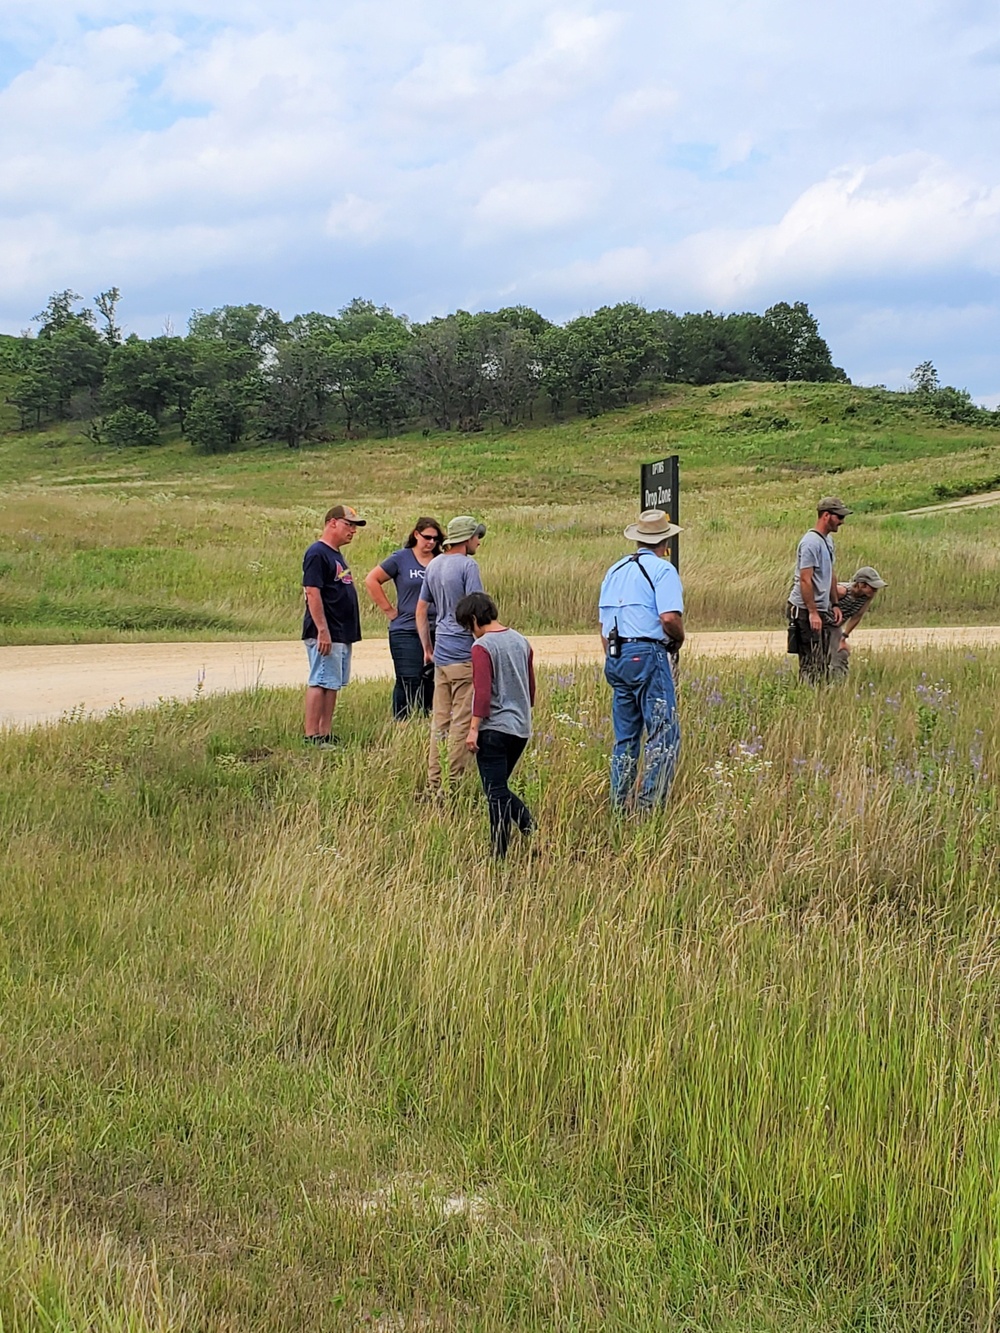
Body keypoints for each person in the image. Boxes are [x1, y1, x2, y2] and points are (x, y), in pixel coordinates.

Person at [598, 509, 684, 814]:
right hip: (647, 653)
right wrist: (678, 638)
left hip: (616, 655)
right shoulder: (662, 571)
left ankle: (620, 806)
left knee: (626, 738)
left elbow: (603, 625)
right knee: (663, 733)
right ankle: (650, 807)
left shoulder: (615, 570)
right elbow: (669, 617)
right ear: (665, 541)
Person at [457, 591, 535, 859]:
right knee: (499, 788)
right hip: (520, 728)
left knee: (496, 792)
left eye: (469, 626)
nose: (471, 633)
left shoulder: (483, 647)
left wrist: (473, 728)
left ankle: (511, 842)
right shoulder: (521, 641)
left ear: (476, 619)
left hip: (493, 729)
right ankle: (512, 841)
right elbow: (531, 689)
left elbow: (482, 692)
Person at [416, 514, 487, 795]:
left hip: (442, 654)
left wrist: (427, 648)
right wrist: (483, 646)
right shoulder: (468, 566)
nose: (479, 542)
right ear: (467, 538)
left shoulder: (434, 564)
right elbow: (477, 611)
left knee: (440, 723)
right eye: (477, 537)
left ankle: (434, 783)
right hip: (463, 653)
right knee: (461, 722)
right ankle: (452, 785)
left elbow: (421, 609)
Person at [364, 518, 445, 719]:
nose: (431, 542)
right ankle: (402, 720)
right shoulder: (401, 558)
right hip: (406, 628)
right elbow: (372, 580)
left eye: (435, 539)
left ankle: (428, 720)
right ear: (416, 535)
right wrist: (389, 610)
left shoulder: (441, 560)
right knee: (408, 677)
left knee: (432, 678)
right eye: (427, 537)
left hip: (437, 627)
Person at [301, 504, 365, 747]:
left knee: (332, 682)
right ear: (332, 522)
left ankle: (325, 732)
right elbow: (312, 592)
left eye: (354, 526)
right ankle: (311, 735)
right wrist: (322, 630)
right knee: (320, 679)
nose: (353, 531)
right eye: (349, 524)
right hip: (326, 631)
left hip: (340, 630)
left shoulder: (334, 553)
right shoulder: (317, 552)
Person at [786, 496, 850, 682]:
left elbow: (830, 574)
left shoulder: (827, 541)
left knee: (823, 658)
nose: (842, 521)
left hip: (821, 608)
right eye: (839, 517)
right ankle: (807, 698)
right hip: (804, 609)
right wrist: (813, 612)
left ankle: (818, 697)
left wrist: (835, 604)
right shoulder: (810, 543)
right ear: (826, 516)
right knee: (811, 660)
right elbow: (805, 580)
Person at [829, 566, 888, 677]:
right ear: (861, 584)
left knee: (841, 653)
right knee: (819, 655)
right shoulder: (841, 591)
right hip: (821, 623)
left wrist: (844, 636)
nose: (875, 590)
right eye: (873, 587)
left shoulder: (867, 596)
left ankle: (838, 685)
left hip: (835, 626)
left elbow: (857, 615)